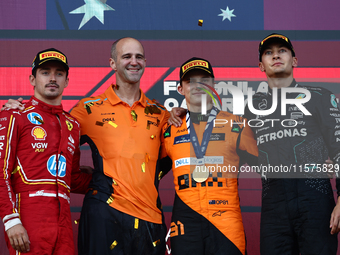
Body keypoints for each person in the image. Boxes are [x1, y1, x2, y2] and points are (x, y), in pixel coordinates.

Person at [69, 37, 170, 255]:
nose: (134, 62)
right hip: (104, 214)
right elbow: (51, 140)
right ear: (112, 63)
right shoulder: (87, 109)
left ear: (145, 62)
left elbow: (175, 156)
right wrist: (23, 107)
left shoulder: (161, 114)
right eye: (126, 57)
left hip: (150, 218)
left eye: (139, 57)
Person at [243, 33, 340, 254]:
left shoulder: (319, 97)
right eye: (268, 52)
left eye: (282, 50)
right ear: (261, 65)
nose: (275, 55)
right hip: (273, 205)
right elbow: (238, 147)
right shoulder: (252, 107)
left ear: (294, 60)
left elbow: (338, 146)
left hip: (315, 198)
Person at [161, 57, 258, 255]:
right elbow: (147, 178)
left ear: (213, 85)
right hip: (185, 224)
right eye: (190, 81)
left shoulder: (237, 124)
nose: (198, 86)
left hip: (226, 223)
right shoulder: (169, 129)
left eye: (204, 80)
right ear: (180, 89)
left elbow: (268, 168)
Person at [0, 48, 91, 255]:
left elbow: (73, 178)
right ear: (32, 79)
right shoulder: (15, 114)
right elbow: (1, 172)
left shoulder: (73, 125)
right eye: (45, 72)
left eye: (59, 73)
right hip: (28, 215)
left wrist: (108, 180)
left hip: (64, 220)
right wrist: (10, 220)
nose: (52, 78)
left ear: (67, 81)